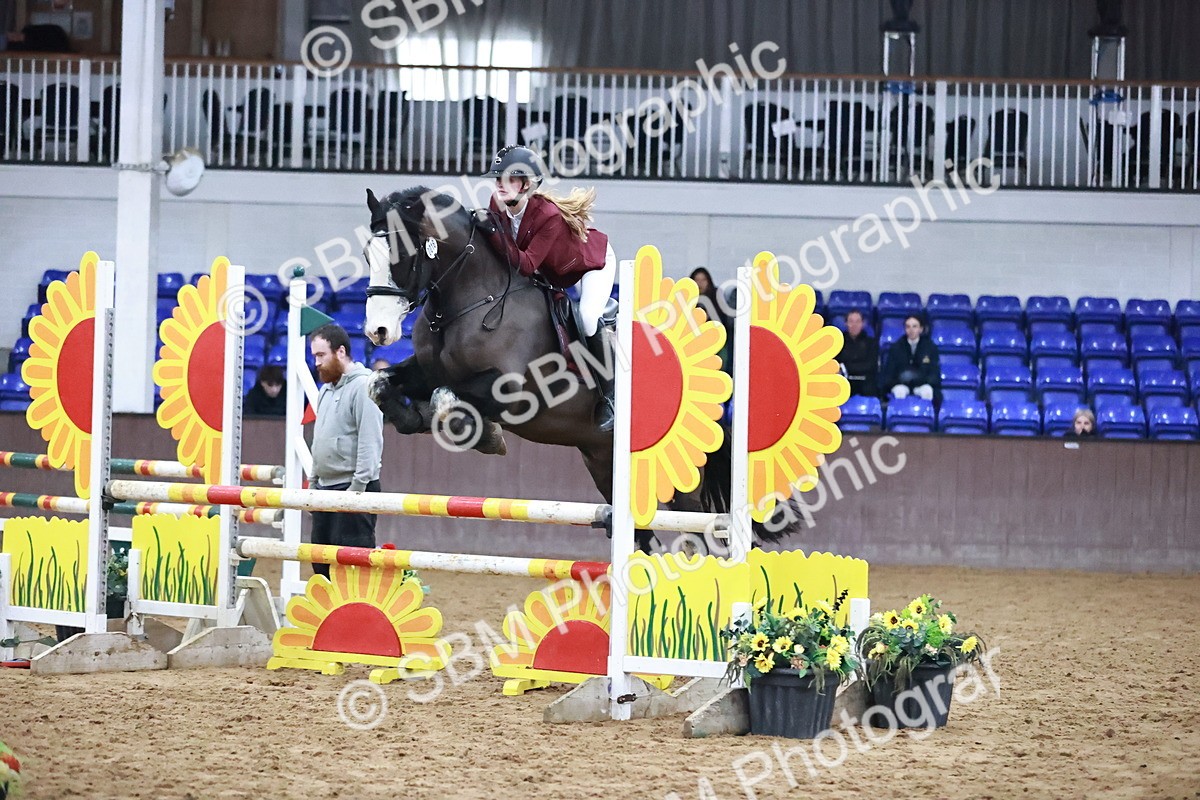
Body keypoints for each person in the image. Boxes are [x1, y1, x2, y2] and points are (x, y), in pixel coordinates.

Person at [481, 145, 617, 432]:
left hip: (592, 264)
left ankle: (610, 397)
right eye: (497, 178)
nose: (500, 185)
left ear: (526, 184)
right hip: (552, 273)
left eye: (508, 179)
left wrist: (493, 234)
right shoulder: (497, 204)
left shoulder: (548, 215)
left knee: (587, 319)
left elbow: (527, 264)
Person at [308, 324, 385, 575]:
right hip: (325, 490)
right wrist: (313, 483)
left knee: (352, 571)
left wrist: (357, 489)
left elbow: (370, 441)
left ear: (340, 352)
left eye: (321, 355)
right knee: (321, 566)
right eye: (315, 356)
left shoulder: (364, 387)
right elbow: (319, 440)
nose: (317, 363)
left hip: (352, 490)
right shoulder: (324, 391)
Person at [881, 314, 940, 401]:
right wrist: (900, 382)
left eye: (914, 326)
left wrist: (921, 381)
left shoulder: (930, 347)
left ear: (921, 329)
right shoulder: (896, 347)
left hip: (922, 384)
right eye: (908, 327)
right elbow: (890, 372)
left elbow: (934, 372)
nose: (911, 330)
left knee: (927, 391)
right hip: (901, 384)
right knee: (899, 392)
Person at [691, 267, 733, 372]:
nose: (700, 283)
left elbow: (724, 322)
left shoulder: (716, 298)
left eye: (703, 280)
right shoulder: (687, 300)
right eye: (697, 280)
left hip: (715, 343)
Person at [837, 309, 878, 397]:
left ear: (863, 323)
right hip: (845, 382)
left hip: (866, 383)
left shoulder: (871, 343)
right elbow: (837, 365)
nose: (854, 325)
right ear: (846, 323)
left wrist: (847, 367)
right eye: (851, 321)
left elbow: (871, 365)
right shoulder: (839, 343)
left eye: (857, 321)